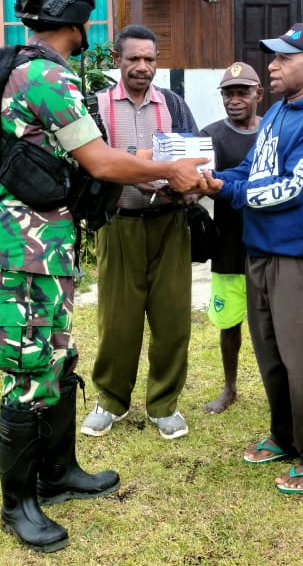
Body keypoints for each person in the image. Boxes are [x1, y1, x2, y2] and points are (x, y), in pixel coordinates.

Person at [0, 0, 208, 553]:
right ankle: (19, 504)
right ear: (75, 18)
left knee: (57, 356)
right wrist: (167, 169)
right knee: (28, 372)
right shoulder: (46, 75)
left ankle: (58, 473)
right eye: (88, 16)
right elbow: (100, 162)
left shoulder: (35, 67)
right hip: (24, 245)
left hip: (45, 244)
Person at [198, 23, 303, 494]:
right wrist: (213, 176)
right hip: (261, 253)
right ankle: (285, 437)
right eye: (273, 57)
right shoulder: (280, 114)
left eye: (284, 58)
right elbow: (253, 169)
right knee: (273, 357)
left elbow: (289, 190)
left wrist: (226, 189)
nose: (272, 64)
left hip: (301, 261)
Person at [81, 25, 201, 440]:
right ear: (117, 59)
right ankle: (110, 400)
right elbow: (87, 165)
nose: (142, 67)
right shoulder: (94, 106)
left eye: (149, 59)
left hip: (169, 224)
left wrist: (186, 187)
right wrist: (135, 174)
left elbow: (194, 158)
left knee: (172, 319)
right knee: (117, 321)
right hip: (117, 225)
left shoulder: (173, 105)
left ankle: (164, 404)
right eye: (133, 58)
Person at [199, 61, 264, 414]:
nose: (235, 100)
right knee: (229, 322)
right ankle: (230, 387)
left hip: (268, 242)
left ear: (259, 94)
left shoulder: (274, 131)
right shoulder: (209, 135)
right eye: (229, 93)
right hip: (228, 243)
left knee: (270, 322)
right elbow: (200, 183)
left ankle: (277, 385)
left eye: (243, 92)